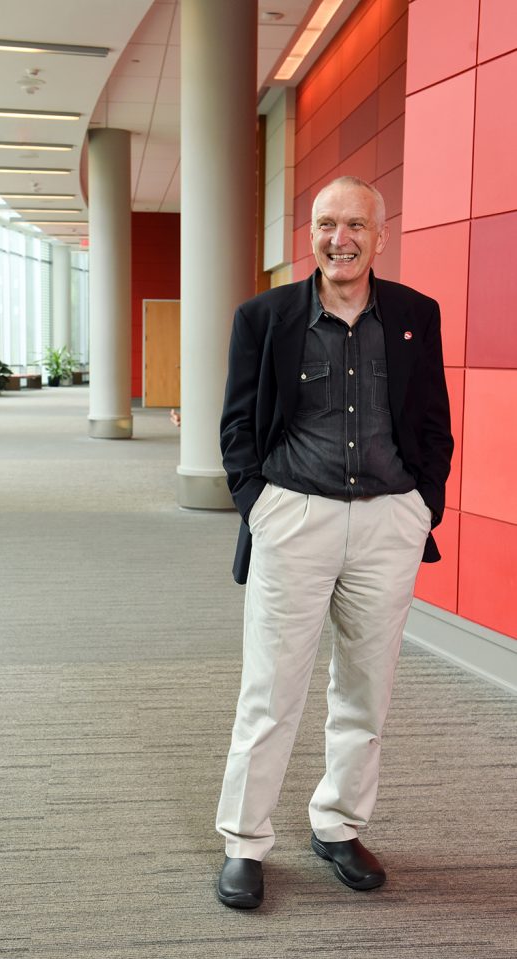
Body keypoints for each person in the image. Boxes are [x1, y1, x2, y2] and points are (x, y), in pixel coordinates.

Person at [216, 175, 453, 909]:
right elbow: (237, 424)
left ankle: (339, 825)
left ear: (380, 236)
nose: (338, 238)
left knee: (365, 689)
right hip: (295, 517)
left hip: (388, 523)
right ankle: (244, 841)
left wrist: (421, 507)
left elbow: (433, 422)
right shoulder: (264, 317)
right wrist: (259, 506)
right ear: (311, 233)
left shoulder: (415, 315)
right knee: (271, 691)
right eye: (325, 223)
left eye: (354, 224)